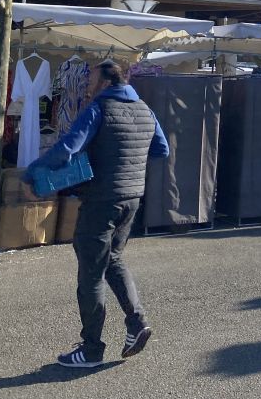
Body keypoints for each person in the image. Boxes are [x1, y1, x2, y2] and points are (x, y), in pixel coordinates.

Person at [24, 60, 169, 368]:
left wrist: (34, 172)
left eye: (90, 79)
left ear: (104, 82)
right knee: (113, 258)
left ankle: (91, 349)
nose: (87, 85)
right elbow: (161, 150)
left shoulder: (98, 109)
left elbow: (69, 148)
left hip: (102, 198)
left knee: (91, 273)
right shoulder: (145, 109)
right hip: (132, 197)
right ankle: (137, 322)